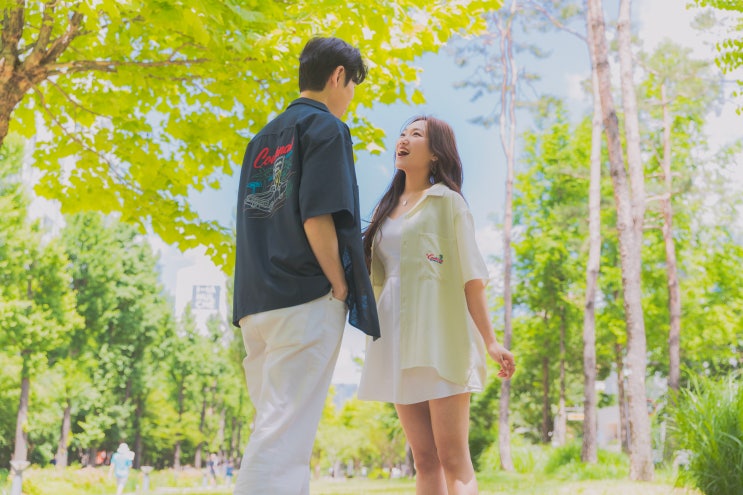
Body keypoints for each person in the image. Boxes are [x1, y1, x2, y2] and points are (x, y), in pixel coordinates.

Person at [232, 36, 380, 495]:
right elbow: (317, 217)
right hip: (304, 297)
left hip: (256, 303)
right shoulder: (327, 128)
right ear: (338, 76)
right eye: (352, 86)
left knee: (276, 429)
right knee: (282, 439)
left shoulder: (261, 138)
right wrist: (339, 283)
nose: (350, 97)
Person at [357, 115, 516, 495]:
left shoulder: (448, 203)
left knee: (453, 457)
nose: (403, 139)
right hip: (394, 338)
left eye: (416, 135)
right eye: (402, 133)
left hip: (441, 339)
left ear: (435, 154)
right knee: (424, 460)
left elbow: (471, 278)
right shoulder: (385, 209)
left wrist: (491, 341)